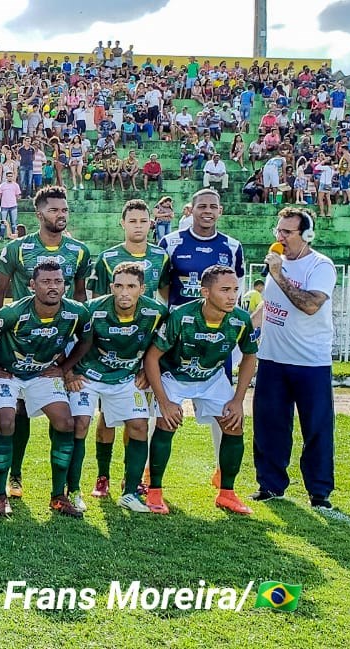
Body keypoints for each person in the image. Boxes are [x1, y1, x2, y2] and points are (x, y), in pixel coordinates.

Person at [0, 185, 92, 501]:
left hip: (56, 341)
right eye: (53, 210)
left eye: (64, 210)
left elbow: (79, 298)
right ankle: (13, 477)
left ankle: (62, 490)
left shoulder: (79, 251)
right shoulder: (16, 249)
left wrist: (69, 366)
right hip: (17, 338)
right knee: (14, 414)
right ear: (39, 213)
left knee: (62, 416)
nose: (60, 215)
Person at [144, 265, 259, 515]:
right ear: (205, 292)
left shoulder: (240, 319)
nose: (232, 296)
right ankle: (154, 491)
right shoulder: (181, 316)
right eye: (225, 290)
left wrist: (238, 400)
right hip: (174, 376)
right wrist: (164, 402)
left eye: (235, 290)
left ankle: (226, 493)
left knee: (233, 424)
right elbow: (152, 358)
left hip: (212, 377)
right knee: (167, 422)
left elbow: (250, 356)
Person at [159, 188, 245, 485]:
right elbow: (162, 289)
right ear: (191, 210)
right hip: (177, 339)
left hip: (214, 339)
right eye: (202, 206)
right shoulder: (170, 242)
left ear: (220, 211)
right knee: (159, 412)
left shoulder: (232, 246)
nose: (208, 210)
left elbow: (237, 288)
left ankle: (223, 474)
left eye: (213, 206)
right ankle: (147, 473)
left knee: (225, 410)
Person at [66, 262, 168, 513]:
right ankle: (75, 491)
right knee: (80, 423)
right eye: (119, 286)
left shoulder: (157, 313)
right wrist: (67, 372)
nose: (124, 292)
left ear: (142, 289)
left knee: (139, 426)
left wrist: (148, 369)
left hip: (126, 377)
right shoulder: (91, 310)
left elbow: (166, 345)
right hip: (88, 375)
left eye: (131, 286)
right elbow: (63, 337)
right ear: (111, 287)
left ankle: (130, 492)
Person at [253, 208, 336, 510]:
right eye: (279, 230)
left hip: (310, 362)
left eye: (288, 232)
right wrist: (246, 328)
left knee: (315, 427)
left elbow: (311, 305)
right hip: (273, 360)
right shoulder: (276, 265)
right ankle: (270, 485)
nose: (280, 237)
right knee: (269, 425)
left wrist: (279, 275)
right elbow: (268, 305)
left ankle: (319, 492)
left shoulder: (320, 266)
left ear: (306, 235)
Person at [85, 199, 168, 497]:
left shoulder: (161, 256)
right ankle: (102, 476)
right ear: (122, 223)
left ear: (150, 223)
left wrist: (149, 364)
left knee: (136, 418)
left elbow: (164, 303)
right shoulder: (107, 258)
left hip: (140, 352)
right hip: (105, 358)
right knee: (106, 417)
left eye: (142, 220)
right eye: (131, 220)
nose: (137, 225)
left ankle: (130, 478)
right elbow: (97, 312)